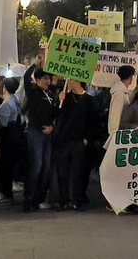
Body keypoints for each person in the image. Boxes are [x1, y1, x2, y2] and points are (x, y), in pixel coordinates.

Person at [52, 77, 94, 210]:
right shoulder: (67, 98)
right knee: (63, 172)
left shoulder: (88, 100)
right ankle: (63, 200)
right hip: (64, 140)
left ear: (79, 81)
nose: (69, 82)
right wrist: (60, 101)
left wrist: (86, 138)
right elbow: (57, 114)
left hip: (79, 141)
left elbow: (92, 121)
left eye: (72, 80)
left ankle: (76, 199)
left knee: (77, 172)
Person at [22, 69, 57, 212]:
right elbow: (25, 77)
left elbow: (55, 114)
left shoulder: (51, 95)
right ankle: (28, 197)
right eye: (44, 78)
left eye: (48, 79)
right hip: (35, 132)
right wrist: (34, 65)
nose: (47, 81)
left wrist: (52, 126)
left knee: (46, 167)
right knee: (36, 166)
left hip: (48, 134)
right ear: (37, 80)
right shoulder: (33, 93)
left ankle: (38, 198)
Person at [0, 77, 23, 206]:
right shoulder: (16, 100)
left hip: (6, 139)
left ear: (4, 87)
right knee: (8, 167)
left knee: (4, 167)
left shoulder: (6, 104)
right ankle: (6, 192)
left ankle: (6, 194)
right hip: (14, 137)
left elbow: (3, 123)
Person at [107, 65, 137, 137]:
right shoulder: (119, 94)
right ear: (130, 77)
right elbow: (116, 116)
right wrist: (114, 135)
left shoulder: (123, 92)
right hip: (117, 134)